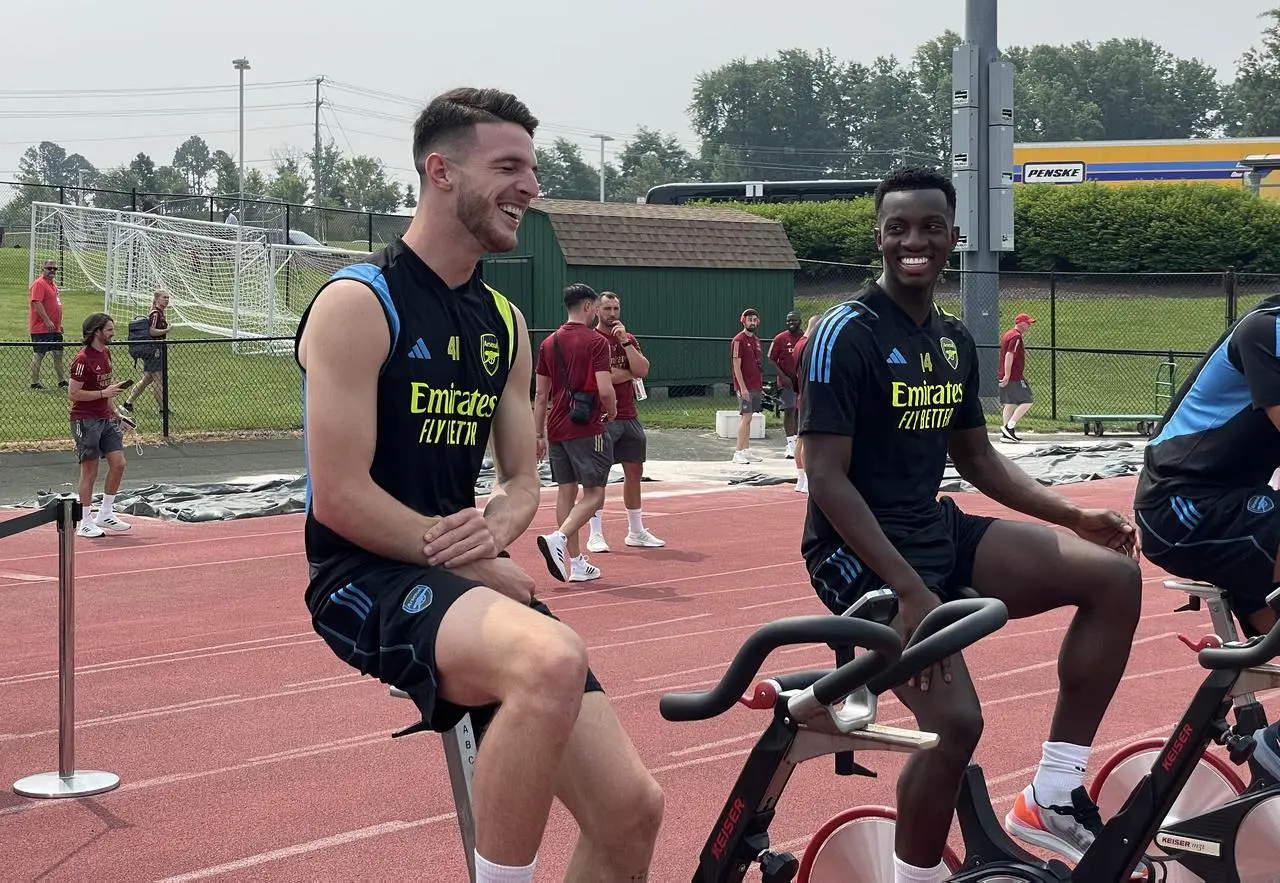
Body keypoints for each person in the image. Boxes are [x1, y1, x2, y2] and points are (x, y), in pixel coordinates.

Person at [293, 88, 662, 883]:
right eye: (509, 166)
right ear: (441, 172)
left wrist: (495, 531)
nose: (531, 185)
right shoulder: (360, 302)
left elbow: (524, 482)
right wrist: (459, 555)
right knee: (549, 660)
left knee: (631, 813)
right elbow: (339, 496)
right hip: (364, 574)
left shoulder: (505, 323)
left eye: (533, 167)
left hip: (463, 571)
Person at [797, 165, 1143, 883]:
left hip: (934, 531)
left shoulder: (953, 339)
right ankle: (914, 877)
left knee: (1112, 576)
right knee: (955, 723)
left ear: (954, 237)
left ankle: (1053, 793)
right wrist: (911, 592)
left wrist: (1073, 512)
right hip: (860, 558)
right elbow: (825, 477)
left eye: (930, 227)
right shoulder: (843, 332)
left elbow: (979, 458)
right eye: (899, 228)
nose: (914, 241)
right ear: (879, 238)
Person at [1133, 296, 1280, 781]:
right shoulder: (1266, 329)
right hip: (1183, 506)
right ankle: (1274, 748)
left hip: (1234, 507)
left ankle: (1267, 759)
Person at [533, 283, 617, 583]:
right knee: (594, 494)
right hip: (587, 425)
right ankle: (559, 538)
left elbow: (541, 396)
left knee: (566, 491)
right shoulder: (597, 342)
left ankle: (577, 562)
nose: (597, 311)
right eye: (596, 306)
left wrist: (538, 435)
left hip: (556, 427)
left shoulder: (548, 343)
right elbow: (606, 389)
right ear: (587, 307)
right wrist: (613, 409)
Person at [586, 291, 665, 553]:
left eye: (616, 309)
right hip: (602, 417)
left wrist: (626, 344)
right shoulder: (592, 339)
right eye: (607, 309)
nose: (612, 314)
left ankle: (636, 531)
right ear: (597, 310)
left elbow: (642, 370)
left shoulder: (627, 338)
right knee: (599, 476)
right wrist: (623, 374)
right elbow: (601, 379)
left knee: (635, 472)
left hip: (629, 415)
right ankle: (595, 533)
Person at [68, 313, 132, 538]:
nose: (113, 334)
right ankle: (85, 521)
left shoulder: (106, 353)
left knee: (119, 463)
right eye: (109, 330)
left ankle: (105, 512)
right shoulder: (82, 360)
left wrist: (117, 414)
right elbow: (73, 393)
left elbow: (108, 392)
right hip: (85, 420)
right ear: (97, 332)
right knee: (90, 469)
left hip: (105, 418)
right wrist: (103, 393)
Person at [123, 289, 171, 416]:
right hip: (154, 350)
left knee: (147, 379)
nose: (166, 300)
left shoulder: (160, 313)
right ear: (157, 299)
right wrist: (167, 330)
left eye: (167, 297)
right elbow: (152, 331)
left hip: (156, 349)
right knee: (158, 380)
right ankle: (163, 409)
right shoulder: (155, 314)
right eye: (164, 297)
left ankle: (128, 403)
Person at [768, 310, 805, 459]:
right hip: (786, 381)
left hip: (801, 381)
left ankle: (797, 443)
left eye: (794, 321)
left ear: (800, 321)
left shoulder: (805, 338)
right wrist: (782, 376)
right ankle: (790, 444)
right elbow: (771, 359)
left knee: (799, 411)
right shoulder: (780, 339)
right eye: (788, 321)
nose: (791, 323)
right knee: (789, 410)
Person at [731, 308, 765, 464]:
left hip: (756, 385)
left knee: (750, 417)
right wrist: (742, 388)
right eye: (749, 319)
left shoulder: (757, 341)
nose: (752, 322)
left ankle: (746, 449)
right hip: (745, 386)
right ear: (743, 321)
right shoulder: (738, 340)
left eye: (754, 319)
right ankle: (738, 452)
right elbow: (736, 366)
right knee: (745, 417)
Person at [998, 313, 1036, 442]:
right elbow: (1009, 355)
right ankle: (1010, 426)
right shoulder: (1016, 337)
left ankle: (1006, 433)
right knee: (1027, 401)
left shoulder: (1008, 334)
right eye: (1027, 323)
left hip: (1006, 374)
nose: (1029, 326)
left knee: (1010, 403)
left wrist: (1004, 374)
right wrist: (1008, 375)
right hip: (1014, 376)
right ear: (1020, 323)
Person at [30, 259, 67, 390]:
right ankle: (35, 383)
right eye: (49, 268)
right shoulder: (39, 284)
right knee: (39, 354)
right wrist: (46, 320)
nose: (52, 271)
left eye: (54, 269)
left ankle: (62, 381)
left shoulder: (53, 285)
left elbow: (55, 304)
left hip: (55, 328)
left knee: (58, 353)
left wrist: (59, 324)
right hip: (41, 328)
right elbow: (36, 302)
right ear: (43, 269)